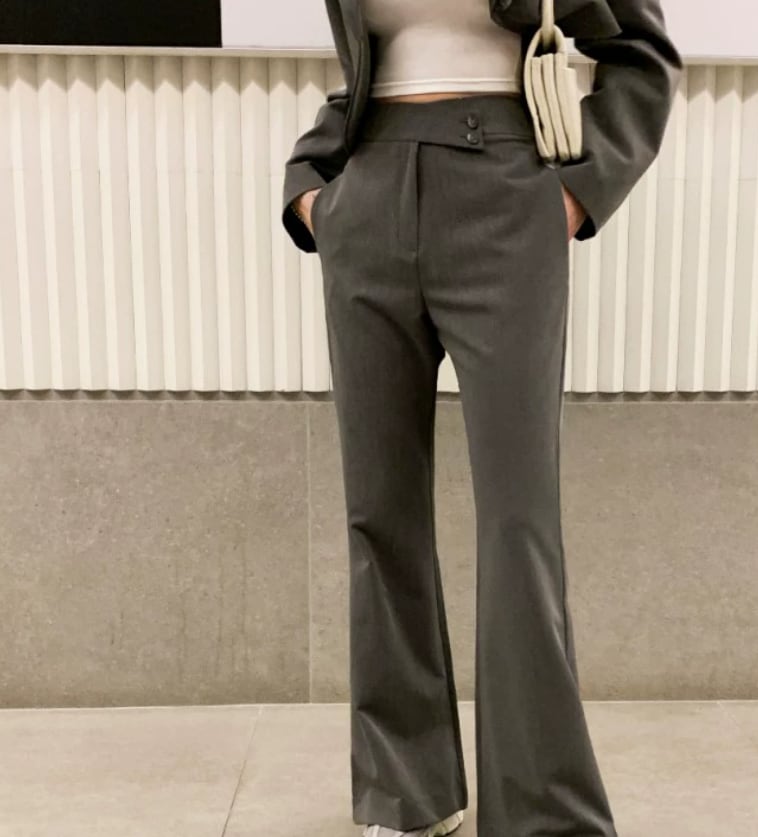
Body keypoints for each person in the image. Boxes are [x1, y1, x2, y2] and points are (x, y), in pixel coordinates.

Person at [281, 1, 682, 836]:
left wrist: (575, 191)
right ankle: (406, 791)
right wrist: (314, 189)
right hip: (369, 191)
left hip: (506, 189)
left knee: (518, 520)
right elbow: (371, 66)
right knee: (379, 513)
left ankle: (543, 814)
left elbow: (642, 55)